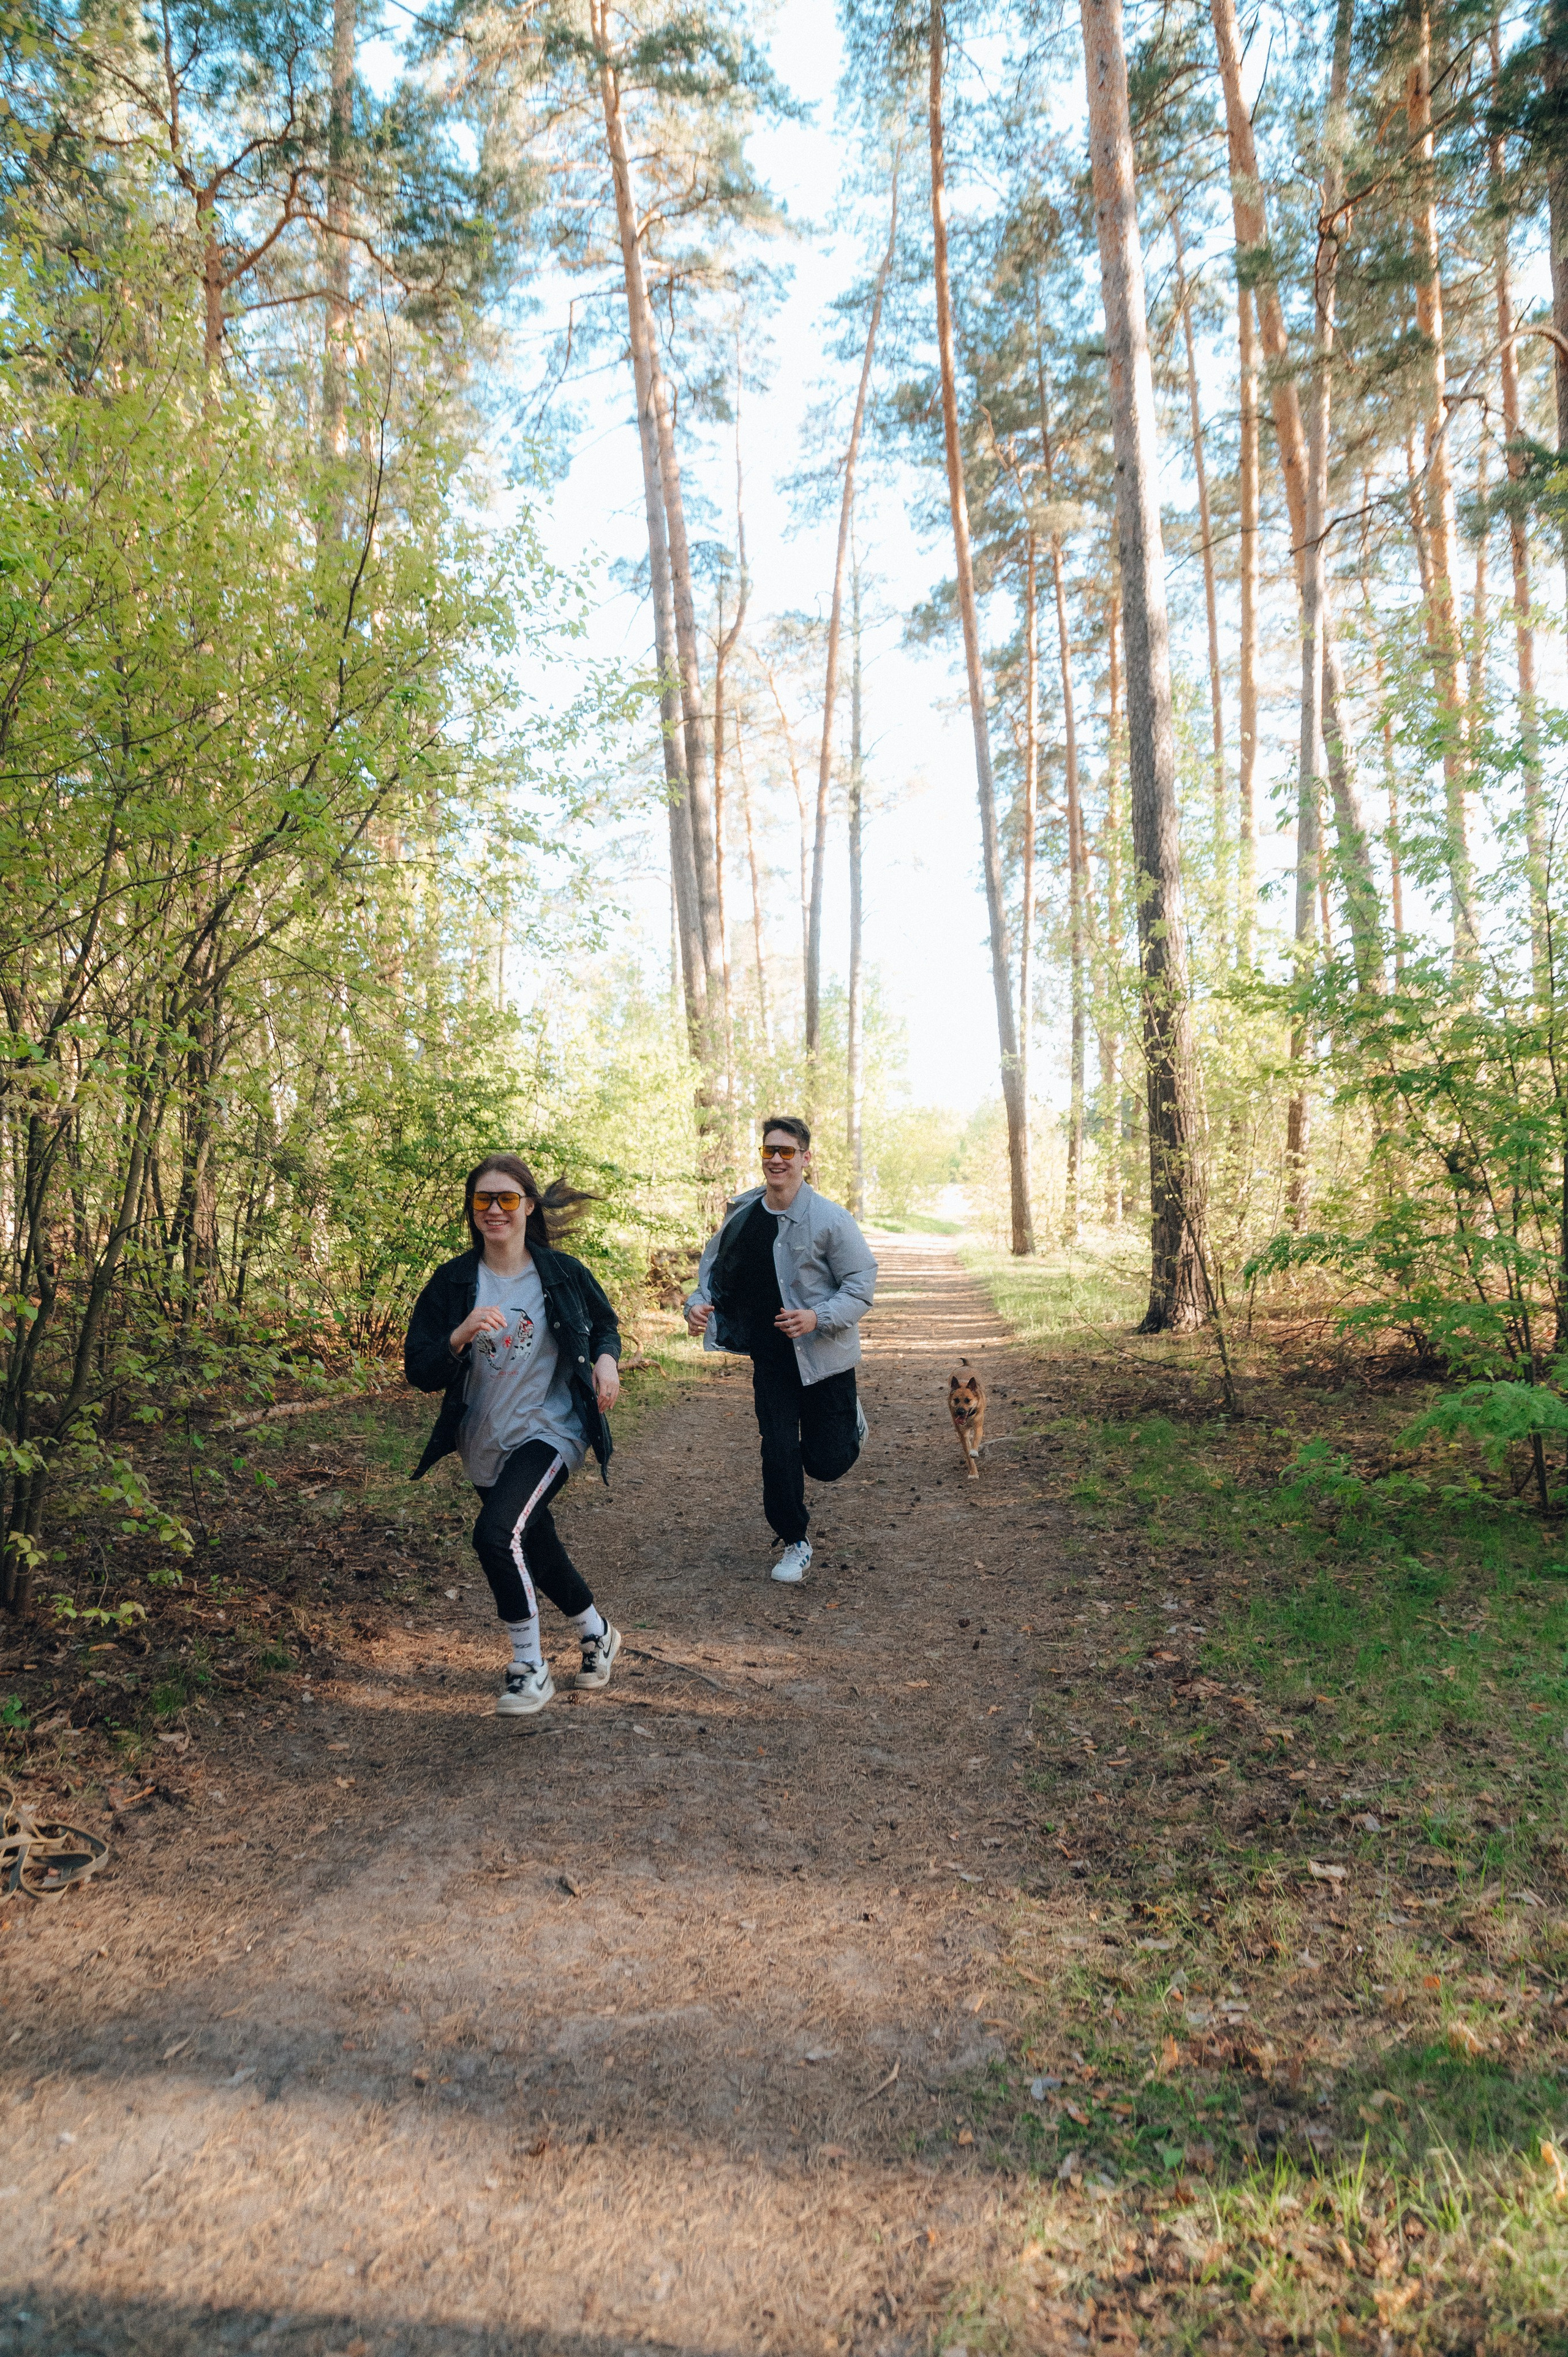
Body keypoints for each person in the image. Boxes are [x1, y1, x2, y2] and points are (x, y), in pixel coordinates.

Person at [404, 1155, 624, 1717]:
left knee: (497, 1536)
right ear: (472, 1209)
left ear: (528, 1205)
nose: (495, 1210)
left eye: (507, 1199)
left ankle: (529, 1669)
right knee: (535, 1545)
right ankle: (597, 1633)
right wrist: (459, 1335)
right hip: (483, 1440)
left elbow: (604, 1325)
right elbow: (420, 1369)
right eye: (484, 1199)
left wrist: (606, 1362)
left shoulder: (562, 1272)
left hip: (550, 1430)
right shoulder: (454, 1281)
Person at [685, 1115, 878, 1583]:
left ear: (805, 1158)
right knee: (778, 1449)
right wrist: (696, 1306)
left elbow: (861, 1285)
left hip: (824, 1357)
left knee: (827, 1462)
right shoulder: (742, 1215)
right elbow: (713, 1276)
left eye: (786, 1151)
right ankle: (795, 1540)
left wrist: (816, 1317)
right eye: (769, 1150)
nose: (776, 1159)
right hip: (771, 1358)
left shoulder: (831, 1220)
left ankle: (850, 1422)